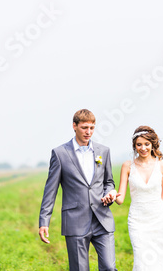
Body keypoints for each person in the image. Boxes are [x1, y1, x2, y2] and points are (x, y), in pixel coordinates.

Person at [38, 109, 119, 271]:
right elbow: (50, 190)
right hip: (75, 221)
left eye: (92, 128)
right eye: (84, 127)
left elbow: (109, 182)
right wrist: (44, 221)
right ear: (74, 126)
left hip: (102, 219)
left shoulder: (103, 151)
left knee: (109, 267)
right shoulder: (60, 153)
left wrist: (109, 193)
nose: (88, 132)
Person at [115, 125, 163, 271]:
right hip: (137, 221)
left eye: (146, 144)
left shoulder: (162, 166)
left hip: (158, 220)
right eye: (139, 144)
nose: (143, 148)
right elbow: (120, 199)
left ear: (152, 145)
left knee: (160, 258)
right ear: (134, 146)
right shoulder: (127, 166)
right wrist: (112, 194)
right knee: (141, 259)